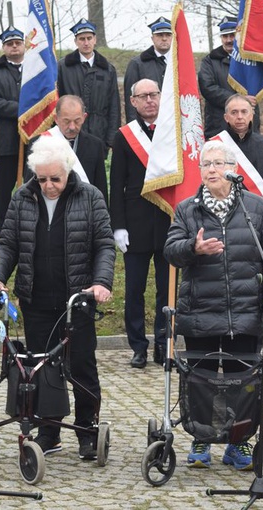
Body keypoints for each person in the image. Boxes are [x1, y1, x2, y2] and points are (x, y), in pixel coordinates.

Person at [0, 136, 114, 460]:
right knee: (41, 368)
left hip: (77, 301)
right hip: (36, 299)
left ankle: (87, 430)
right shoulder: (23, 197)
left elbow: (104, 245)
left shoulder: (90, 197)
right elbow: (8, 245)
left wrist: (100, 282)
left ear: (68, 172)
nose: (48, 185)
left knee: (82, 366)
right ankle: (48, 432)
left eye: (55, 178)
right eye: (42, 179)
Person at [164, 139, 263, 470]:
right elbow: (170, 251)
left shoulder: (255, 208)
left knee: (241, 383)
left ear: (233, 171)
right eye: (206, 164)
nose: (212, 169)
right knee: (200, 382)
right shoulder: (187, 209)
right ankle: (201, 440)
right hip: (200, 311)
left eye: (219, 163)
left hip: (244, 313)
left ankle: (238, 443)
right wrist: (194, 247)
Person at [110, 79, 169, 368]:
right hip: (135, 225)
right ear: (132, 101)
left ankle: (162, 342)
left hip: (168, 222)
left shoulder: (172, 131)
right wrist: (117, 225)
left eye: (154, 94)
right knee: (134, 290)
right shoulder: (124, 136)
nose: (149, 100)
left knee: (165, 290)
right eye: (143, 96)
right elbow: (116, 184)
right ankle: (138, 347)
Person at [214, 94, 263, 243]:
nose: (239, 117)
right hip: (225, 223)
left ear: (252, 115)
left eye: (244, 112)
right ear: (226, 117)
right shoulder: (215, 147)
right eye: (234, 112)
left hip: (257, 220)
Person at [0, 26, 25, 237]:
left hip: (34, 136)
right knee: (3, 184)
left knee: (35, 180)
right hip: (7, 136)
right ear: (4, 47)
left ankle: (31, 220)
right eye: (10, 44)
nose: (14, 47)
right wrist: (23, 110)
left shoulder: (36, 70)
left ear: (24, 45)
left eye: (18, 43)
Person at [57, 19, 120, 153]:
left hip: (99, 134)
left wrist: (112, 138)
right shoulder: (63, 67)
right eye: (82, 39)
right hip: (69, 133)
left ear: (95, 39)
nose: (86, 43)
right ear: (75, 41)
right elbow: (57, 101)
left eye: (89, 38)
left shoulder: (108, 69)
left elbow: (114, 106)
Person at [198, 16, 263, 139]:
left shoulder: (252, 59)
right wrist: (239, 100)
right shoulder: (210, 61)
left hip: (249, 127)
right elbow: (208, 88)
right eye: (225, 36)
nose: (228, 40)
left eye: (232, 35)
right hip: (219, 127)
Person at [45, 95, 108, 203]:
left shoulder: (95, 145)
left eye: (77, 121)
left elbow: (100, 188)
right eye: (66, 121)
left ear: (84, 117)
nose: (72, 127)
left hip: (85, 210)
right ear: (56, 119)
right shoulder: (42, 142)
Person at [124, 17, 171, 123]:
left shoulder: (179, 63)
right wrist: (135, 128)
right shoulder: (137, 64)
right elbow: (131, 102)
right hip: (147, 124)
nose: (164, 39)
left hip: (174, 124)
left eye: (168, 35)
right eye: (159, 35)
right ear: (152, 38)